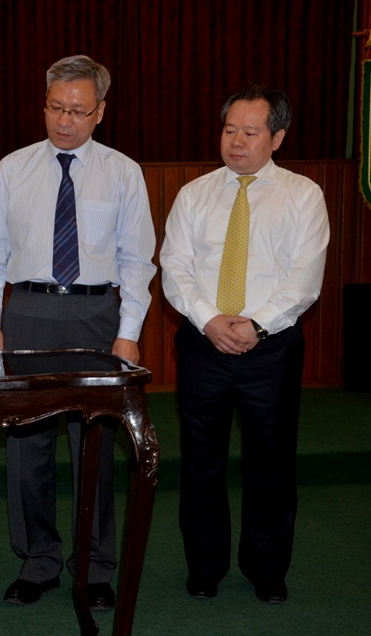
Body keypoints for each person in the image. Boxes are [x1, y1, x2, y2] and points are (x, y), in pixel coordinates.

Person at [0, 55, 156, 610]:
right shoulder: (13, 168)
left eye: (78, 110)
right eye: (56, 107)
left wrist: (128, 332)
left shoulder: (123, 172)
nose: (64, 120)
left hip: (95, 316)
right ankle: (38, 560)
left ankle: (96, 564)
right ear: (45, 104)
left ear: (100, 112)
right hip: (27, 312)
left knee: (95, 446)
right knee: (27, 446)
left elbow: (137, 260)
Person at [160, 85, 329, 604]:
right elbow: (175, 267)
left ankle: (267, 567)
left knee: (271, 463)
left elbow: (304, 278)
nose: (236, 141)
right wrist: (211, 321)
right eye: (229, 129)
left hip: (271, 348)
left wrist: (256, 324)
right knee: (200, 460)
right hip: (202, 344)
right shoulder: (195, 193)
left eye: (250, 132)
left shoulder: (304, 195)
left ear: (277, 137)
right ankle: (205, 565)